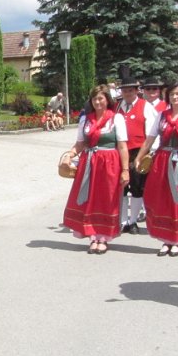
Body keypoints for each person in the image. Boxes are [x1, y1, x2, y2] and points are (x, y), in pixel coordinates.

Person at [134, 83, 178, 256]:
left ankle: (177, 238)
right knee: (162, 199)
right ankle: (166, 239)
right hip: (163, 161)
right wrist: (139, 157)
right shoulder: (162, 116)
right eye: (172, 94)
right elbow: (150, 139)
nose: (175, 97)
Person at [63, 85, 130, 254]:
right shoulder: (86, 120)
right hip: (89, 163)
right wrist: (69, 155)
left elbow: (122, 146)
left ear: (107, 100)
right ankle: (93, 236)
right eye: (94, 99)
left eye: (101, 98)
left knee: (106, 198)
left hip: (109, 163)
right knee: (89, 199)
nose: (98, 102)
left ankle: (104, 237)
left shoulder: (116, 119)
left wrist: (125, 170)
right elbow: (80, 144)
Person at [117, 77, 156, 234]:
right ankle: (123, 221)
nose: (127, 93)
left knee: (137, 187)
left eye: (130, 90)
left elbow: (151, 134)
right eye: (125, 90)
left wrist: (145, 155)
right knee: (122, 187)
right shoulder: (117, 106)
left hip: (138, 151)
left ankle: (133, 221)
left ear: (136, 91)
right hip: (120, 151)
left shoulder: (145, 106)